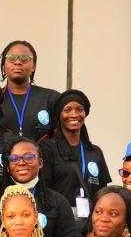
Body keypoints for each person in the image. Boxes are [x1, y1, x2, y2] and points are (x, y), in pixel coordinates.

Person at [0, 137, 81, 237]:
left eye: (28, 157)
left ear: (41, 163)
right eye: (14, 159)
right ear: (7, 166)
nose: (21, 163)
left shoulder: (57, 202)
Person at [41, 89, 111, 218]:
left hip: (91, 223)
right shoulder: (47, 149)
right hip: (60, 221)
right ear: (59, 115)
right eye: (67, 110)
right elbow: (44, 190)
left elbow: (103, 192)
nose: (74, 114)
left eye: (79, 109)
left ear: (85, 113)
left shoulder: (95, 152)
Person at [0, 40, 58, 140]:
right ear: (4, 64)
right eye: (11, 58)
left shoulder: (51, 98)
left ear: (33, 66)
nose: (17, 62)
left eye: (24, 58)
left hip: (41, 156)